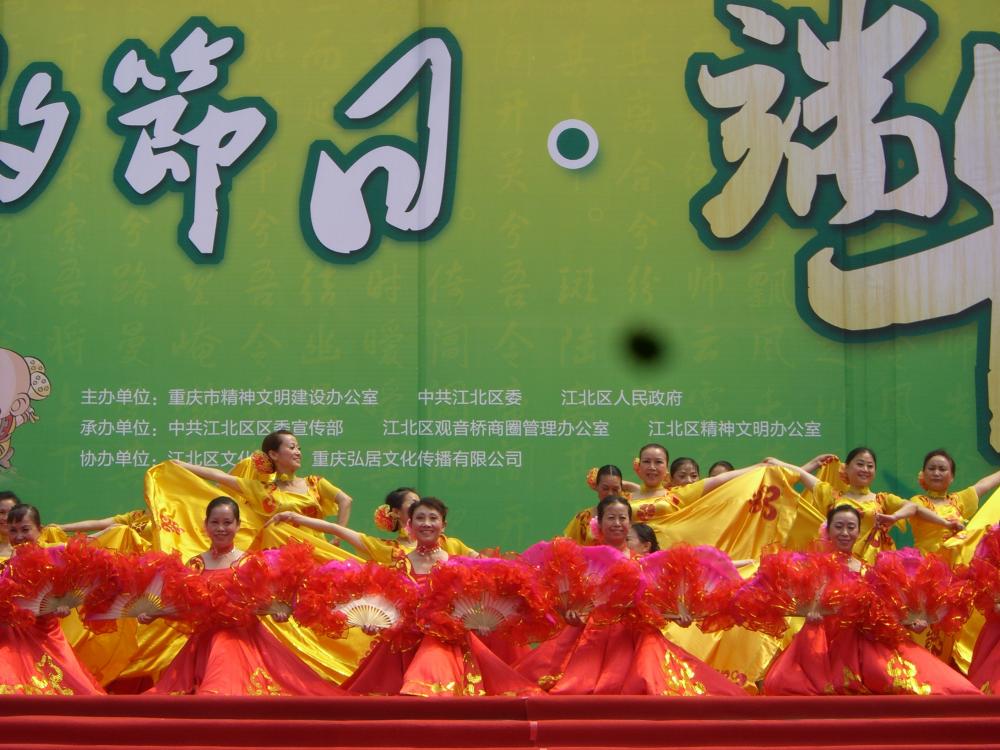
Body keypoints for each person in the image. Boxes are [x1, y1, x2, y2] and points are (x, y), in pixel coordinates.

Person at [519, 496, 744, 695]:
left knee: (652, 679)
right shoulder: (585, 561)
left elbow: (657, 607)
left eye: (623, 518)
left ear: (629, 522)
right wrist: (572, 617)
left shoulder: (645, 563)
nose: (617, 523)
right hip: (589, 632)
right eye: (611, 518)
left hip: (636, 632)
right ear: (600, 522)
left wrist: (680, 619)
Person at [760, 504, 978, 695]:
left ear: (858, 531)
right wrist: (812, 617)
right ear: (828, 530)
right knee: (784, 683)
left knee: (903, 676)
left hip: (867, 639)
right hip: (824, 639)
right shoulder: (814, 567)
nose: (845, 533)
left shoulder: (867, 569)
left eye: (851, 527)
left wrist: (912, 624)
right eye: (839, 527)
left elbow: (886, 613)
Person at [147, 497, 342, 696]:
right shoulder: (195, 564)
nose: (221, 528)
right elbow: (187, 608)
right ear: (206, 525)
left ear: (238, 525)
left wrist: (278, 614)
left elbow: (266, 603)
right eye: (215, 522)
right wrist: (156, 614)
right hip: (203, 645)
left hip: (244, 640)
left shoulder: (249, 563)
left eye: (227, 522)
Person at [771, 448, 956, 563]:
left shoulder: (882, 500)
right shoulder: (832, 496)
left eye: (870, 466)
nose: (865, 469)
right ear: (846, 468)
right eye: (860, 464)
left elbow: (914, 507)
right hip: (838, 565)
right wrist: (784, 463)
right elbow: (800, 475)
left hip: (873, 566)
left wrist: (895, 517)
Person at [0, 504, 105, 695]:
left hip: (45, 632)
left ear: (40, 530)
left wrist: (63, 605)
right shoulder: (8, 565)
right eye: (13, 531)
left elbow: (68, 588)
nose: (19, 536)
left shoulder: (55, 558)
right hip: (11, 634)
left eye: (25, 529)